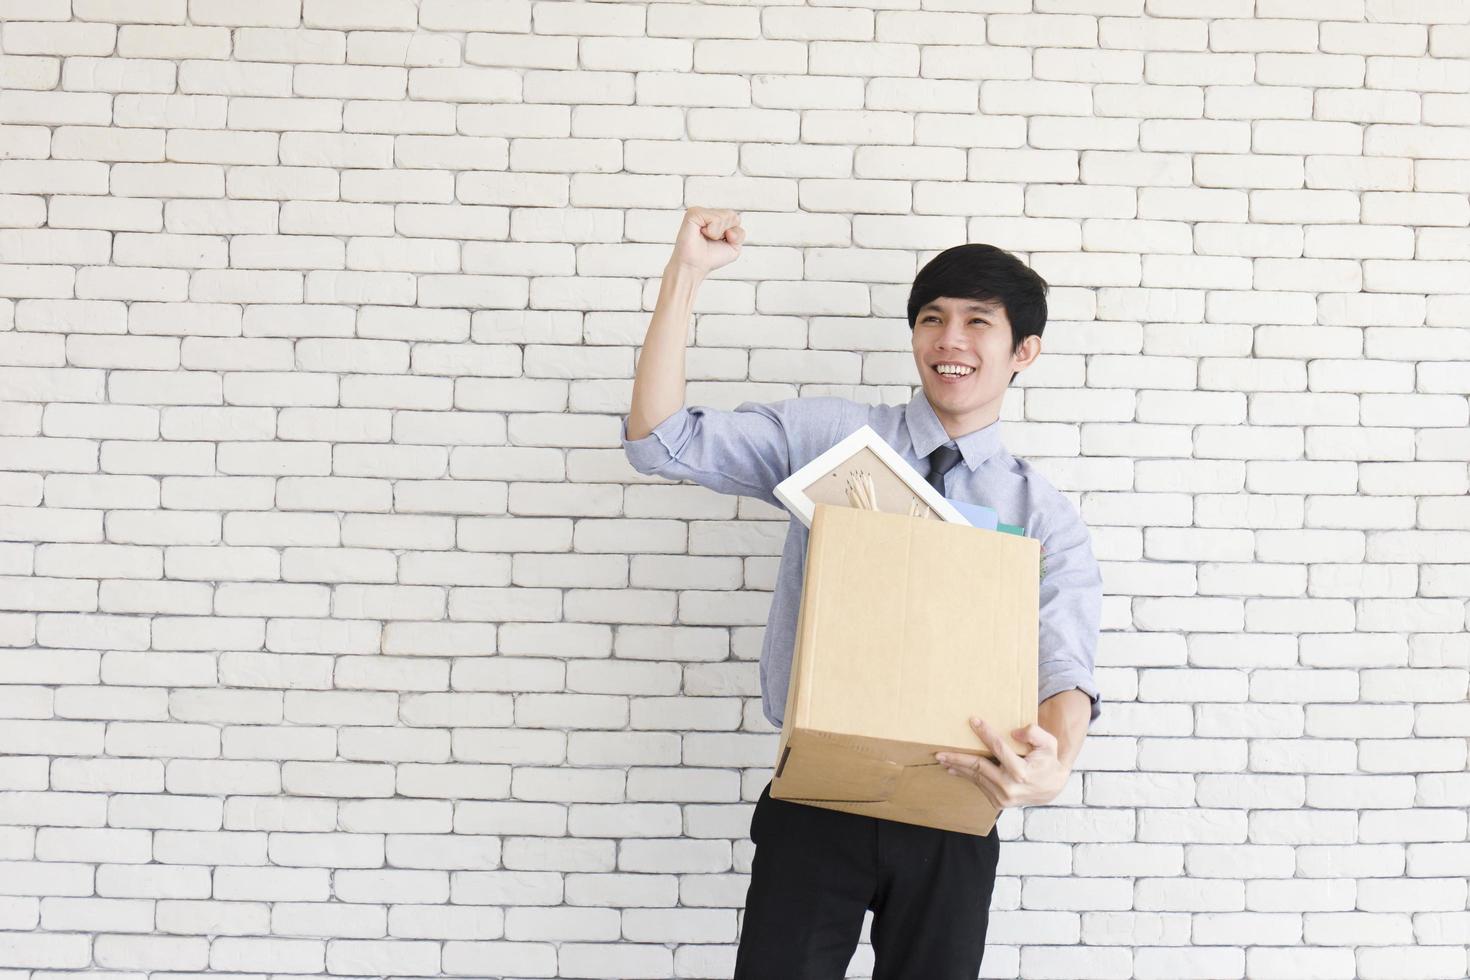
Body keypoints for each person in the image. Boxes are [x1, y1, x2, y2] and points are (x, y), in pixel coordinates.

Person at [620, 207, 1103, 980]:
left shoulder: (1043, 516)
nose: (950, 339)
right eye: (933, 318)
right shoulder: (834, 438)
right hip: (817, 801)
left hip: (956, 812)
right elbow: (660, 441)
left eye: (979, 321)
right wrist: (686, 276)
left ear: (1025, 351)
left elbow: (1065, 664)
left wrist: (1056, 762)